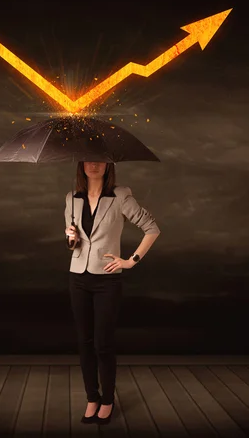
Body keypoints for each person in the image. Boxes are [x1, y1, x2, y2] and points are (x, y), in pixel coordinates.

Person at [64, 161, 161, 425]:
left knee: (102, 344)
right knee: (84, 343)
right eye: (88, 159)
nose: (93, 164)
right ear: (81, 165)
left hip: (107, 280)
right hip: (78, 278)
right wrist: (70, 237)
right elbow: (74, 245)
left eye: (99, 160)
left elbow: (152, 228)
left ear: (108, 165)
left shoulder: (120, 196)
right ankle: (91, 398)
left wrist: (131, 260)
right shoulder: (72, 198)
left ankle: (107, 400)